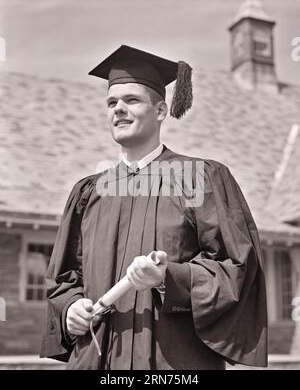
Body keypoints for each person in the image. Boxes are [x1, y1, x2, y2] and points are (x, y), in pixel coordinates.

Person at [40, 45, 268, 370]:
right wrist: (70, 309)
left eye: (131, 100)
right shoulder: (89, 193)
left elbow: (237, 268)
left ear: (161, 111)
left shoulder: (200, 178)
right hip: (96, 361)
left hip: (172, 365)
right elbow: (64, 277)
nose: (118, 108)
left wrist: (167, 278)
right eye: (111, 102)